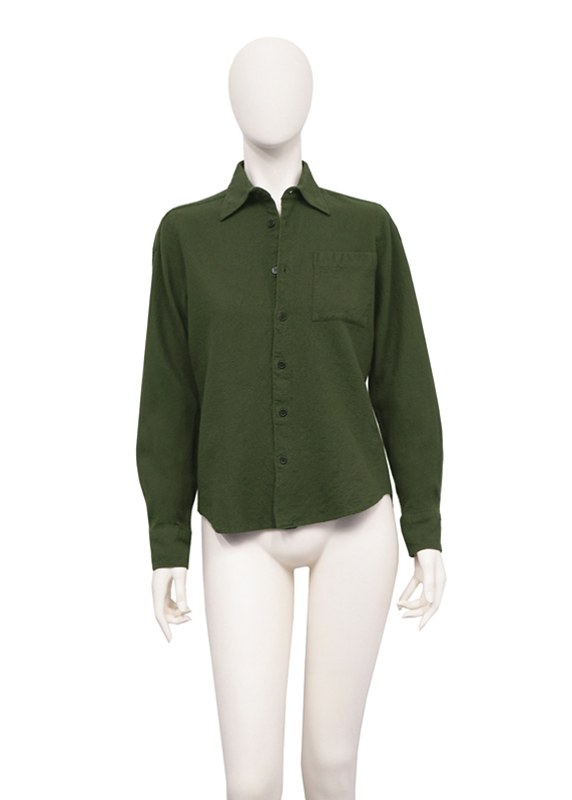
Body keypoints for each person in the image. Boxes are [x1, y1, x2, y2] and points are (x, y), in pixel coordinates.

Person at [136, 36, 447, 800]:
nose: (269, 96)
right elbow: (169, 393)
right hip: (237, 521)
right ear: (229, 100)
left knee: (331, 764)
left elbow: (404, 381)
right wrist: (167, 539)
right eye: (252, 82)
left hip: (353, 517)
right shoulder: (184, 236)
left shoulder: (367, 228)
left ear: (310, 98)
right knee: (250, 781)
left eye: (286, 82)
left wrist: (426, 528)